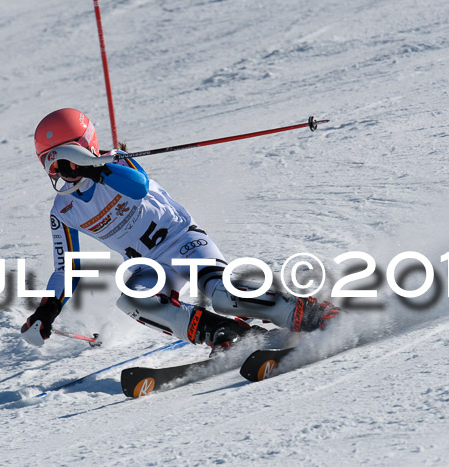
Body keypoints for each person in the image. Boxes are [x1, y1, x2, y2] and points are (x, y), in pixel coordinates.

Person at [21, 108, 341, 350]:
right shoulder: (64, 210)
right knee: (133, 300)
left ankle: (311, 313)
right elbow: (69, 269)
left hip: (182, 242)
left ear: (84, 147)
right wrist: (46, 311)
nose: (59, 171)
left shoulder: (116, 165)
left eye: (64, 159)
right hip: (150, 266)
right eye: (49, 163)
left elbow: (139, 187)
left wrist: (98, 168)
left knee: (223, 295)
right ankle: (229, 335)